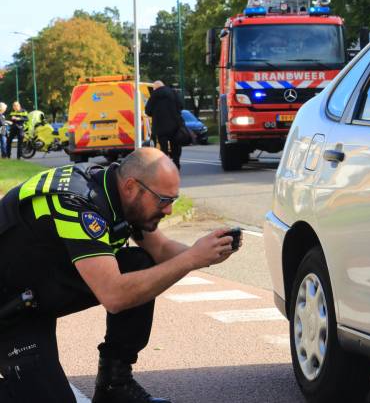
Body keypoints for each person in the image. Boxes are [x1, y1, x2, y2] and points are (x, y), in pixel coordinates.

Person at [0, 148, 240, 402]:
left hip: (33, 292)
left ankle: (114, 386)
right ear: (131, 187)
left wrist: (206, 252)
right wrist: (192, 259)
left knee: (139, 263)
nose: (169, 211)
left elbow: (160, 249)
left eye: (173, 201)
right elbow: (114, 295)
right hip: (9, 310)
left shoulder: (119, 194)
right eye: (164, 201)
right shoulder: (75, 203)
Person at [144, 81, 184, 169]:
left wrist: (156, 113)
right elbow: (181, 106)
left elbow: (148, 111)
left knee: (163, 147)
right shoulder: (173, 92)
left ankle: (165, 165)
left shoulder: (153, 96)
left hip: (160, 126)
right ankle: (176, 163)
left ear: (155, 88)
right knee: (175, 145)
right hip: (174, 125)